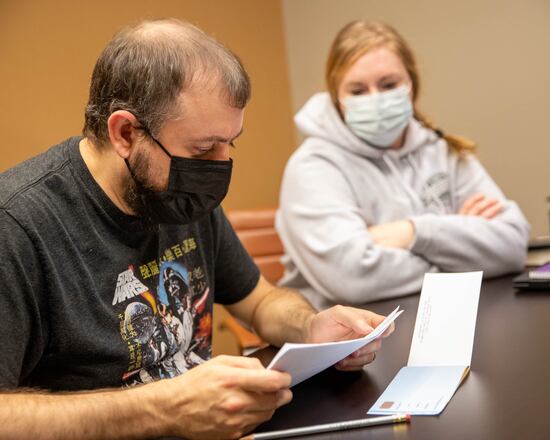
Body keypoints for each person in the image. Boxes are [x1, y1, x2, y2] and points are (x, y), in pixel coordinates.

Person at [0, 19, 393, 439]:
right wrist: (163, 408)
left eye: (230, 143)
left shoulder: (178, 195)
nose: (219, 165)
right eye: (204, 149)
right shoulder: (19, 227)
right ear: (126, 133)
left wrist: (309, 327)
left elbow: (259, 303)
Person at [276, 20, 530, 310]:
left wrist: (412, 232)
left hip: (446, 318)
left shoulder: (442, 150)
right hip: (353, 342)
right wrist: (465, 250)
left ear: (411, 85)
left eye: (388, 84)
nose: (376, 99)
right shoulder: (313, 167)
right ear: (337, 98)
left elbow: (512, 245)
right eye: (357, 91)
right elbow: (353, 277)